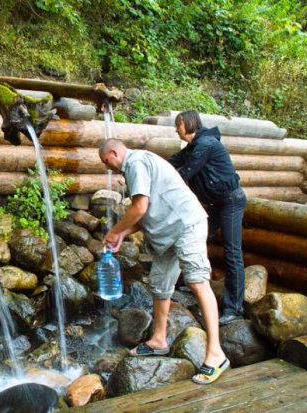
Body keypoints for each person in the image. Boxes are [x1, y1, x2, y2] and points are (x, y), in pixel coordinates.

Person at [99, 138, 228, 385]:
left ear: (115, 152)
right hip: (166, 233)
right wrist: (123, 234)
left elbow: (139, 207)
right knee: (160, 286)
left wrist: (114, 231)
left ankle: (216, 354)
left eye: (107, 162)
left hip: (185, 225)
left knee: (198, 282)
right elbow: (144, 213)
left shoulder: (136, 162)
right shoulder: (138, 164)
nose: (108, 168)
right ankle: (159, 339)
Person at [169, 110, 246, 325]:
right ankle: (192, 281)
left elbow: (185, 173)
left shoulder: (206, 145)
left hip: (230, 201)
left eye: (178, 125)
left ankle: (234, 309)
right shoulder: (193, 147)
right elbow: (171, 163)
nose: (176, 130)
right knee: (195, 239)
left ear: (188, 123)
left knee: (232, 252)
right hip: (215, 204)